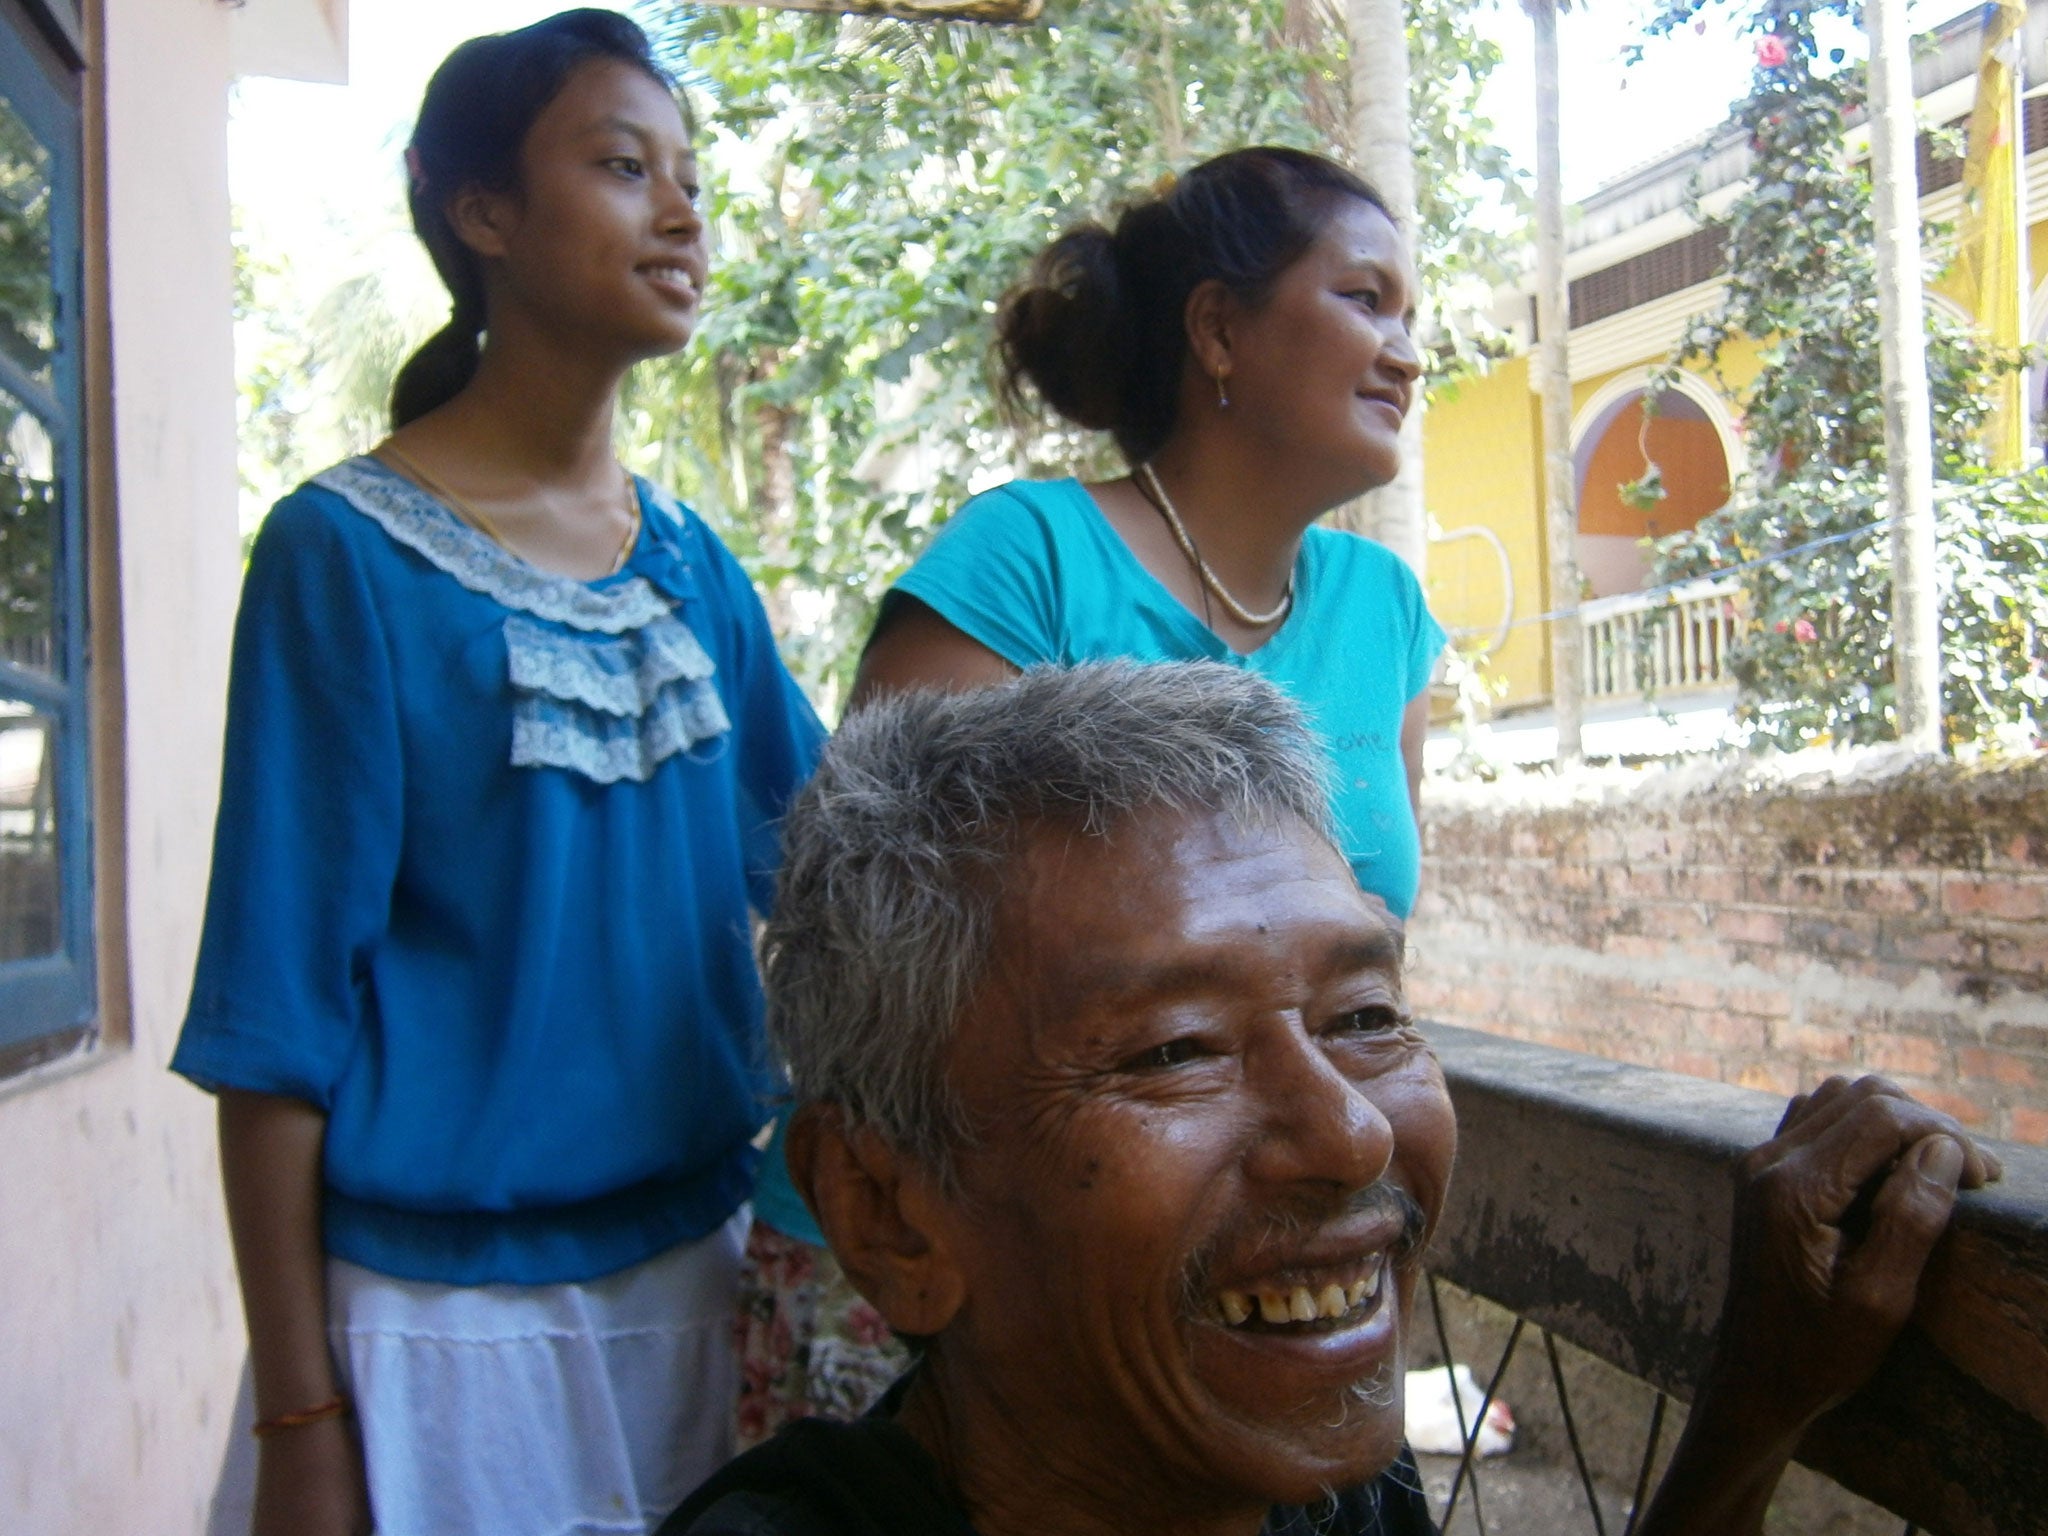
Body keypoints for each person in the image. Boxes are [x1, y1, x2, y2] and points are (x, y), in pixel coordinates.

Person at [668, 661, 1999, 1536]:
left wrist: (1759, 1403)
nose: (1353, 1131)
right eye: (1176, 1051)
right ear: (888, 1209)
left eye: (1365, 1019)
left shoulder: (1321, 1490)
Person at [171, 13, 823, 1536]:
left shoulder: (690, 571)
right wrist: (302, 1416)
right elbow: (273, 1032)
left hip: (710, 1286)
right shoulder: (342, 555)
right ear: (482, 214)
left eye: (690, 177)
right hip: (438, 1341)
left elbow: (841, 870)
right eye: (620, 166)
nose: (682, 213)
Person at [739, 144, 1442, 1443]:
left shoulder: (1388, 614)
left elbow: (1374, 951)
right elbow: (868, 942)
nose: (1408, 350)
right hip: (969, 1275)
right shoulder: (1028, 560)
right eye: (1366, 300)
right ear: (1219, 330)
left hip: (1230, 1271)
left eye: (1413, 315)